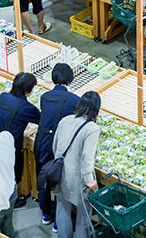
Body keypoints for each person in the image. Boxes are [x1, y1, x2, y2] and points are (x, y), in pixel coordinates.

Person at [34, 63, 79, 227]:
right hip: (59, 145)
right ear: (70, 79)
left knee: (43, 177)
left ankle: (46, 214)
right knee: (60, 181)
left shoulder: (44, 97)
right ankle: (58, 223)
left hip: (41, 142)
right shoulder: (74, 100)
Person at [53, 92, 101, 238]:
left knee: (62, 209)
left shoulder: (65, 120)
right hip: (79, 179)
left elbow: (55, 146)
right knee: (83, 215)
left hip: (61, 173)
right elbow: (87, 158)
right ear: (97, 110)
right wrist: (90, 181)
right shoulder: (92, 128)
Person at [0, 72, 42, 208]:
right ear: (28, 90)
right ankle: (8, 201)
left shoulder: (2, 97)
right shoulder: (26, 108)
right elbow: (42, 120)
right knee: (12, 172)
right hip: (11, 145)